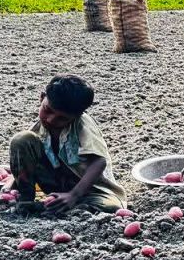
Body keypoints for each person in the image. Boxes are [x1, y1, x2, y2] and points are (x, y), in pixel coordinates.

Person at [8, 75, 126, 214]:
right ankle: (26, 200)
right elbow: (25, 159)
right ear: (42, 97)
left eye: (62, 118)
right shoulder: (39, 126)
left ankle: (55, 207)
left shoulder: (82, 125)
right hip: (55, 185)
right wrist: (9, 185)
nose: (51, 120)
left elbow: (99, 162)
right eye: (48, 110)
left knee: (111, 206)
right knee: (21, 139)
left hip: (88, 190)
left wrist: (74, 195)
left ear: (78, 115)